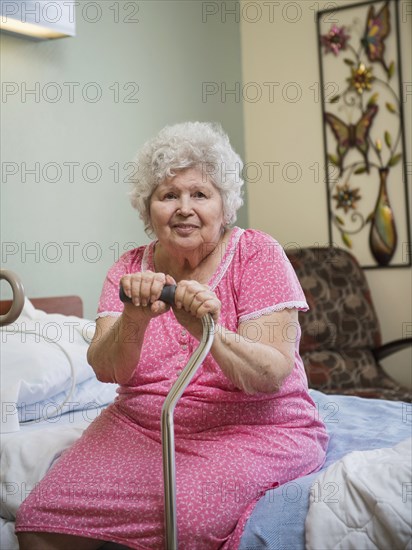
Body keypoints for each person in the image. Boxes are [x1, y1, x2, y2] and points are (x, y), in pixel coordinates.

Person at [16, 122, 328, 549]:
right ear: (149, 210)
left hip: (252, 427)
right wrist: (135, 317)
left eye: (200, 194)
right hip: (142, 426)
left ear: (225, 204)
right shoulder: (128, 270)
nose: (184, 208)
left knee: (186, 520)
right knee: (39, 520)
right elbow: (107, 369)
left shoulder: (257, 254)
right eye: (168, 196)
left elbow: (270, 374)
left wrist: (208, 332)